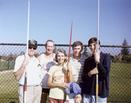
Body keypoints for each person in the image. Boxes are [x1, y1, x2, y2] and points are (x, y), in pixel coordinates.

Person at [82, 37, 111, 103]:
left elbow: (105, 74)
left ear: (99, 45)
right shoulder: (87, 60)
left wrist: (98, 62)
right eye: (90, 45)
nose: (92, 47)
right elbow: (83, 77)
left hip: (100, 93)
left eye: (94, 45)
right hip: (88, 92)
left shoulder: (106, 57)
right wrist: (90, 73)